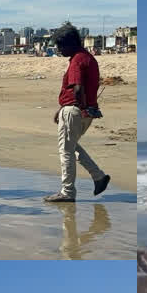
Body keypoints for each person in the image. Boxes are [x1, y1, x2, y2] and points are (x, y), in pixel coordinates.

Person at [43, 22, 110, 203]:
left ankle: (67, 192)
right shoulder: (88, 58)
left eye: (60, 46)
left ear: (70, 44)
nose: (59, 49)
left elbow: (78, 88)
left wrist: (78, 108)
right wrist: (64, 108)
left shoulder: (76, 60)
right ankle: (98, 177)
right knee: (71, 147)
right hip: (83, 110)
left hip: (75, 110)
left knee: (65, 151)